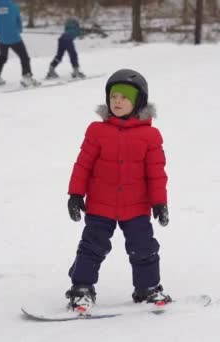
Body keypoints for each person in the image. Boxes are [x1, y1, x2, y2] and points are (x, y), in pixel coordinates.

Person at [65, 69, 171, 314]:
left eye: (124, 97)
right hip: (100, 205)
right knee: (92, 246)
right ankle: (81, 288)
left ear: (139, 101)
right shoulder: (96, 131)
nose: (118, 101)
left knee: (144, 248)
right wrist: (75, 194)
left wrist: (159, 203)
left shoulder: (150, 136)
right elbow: (83, 164)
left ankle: (148, 287)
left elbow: (156, 172)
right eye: (114, 96)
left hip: (136, 207)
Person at [0, 0, 40, 87]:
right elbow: (18, 19)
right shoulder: (13, 6)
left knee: (3, 56)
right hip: (13, 36)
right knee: (24, 57)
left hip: (1, 36)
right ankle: (27, 78)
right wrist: (19, 30)